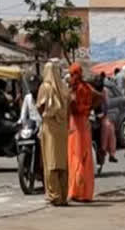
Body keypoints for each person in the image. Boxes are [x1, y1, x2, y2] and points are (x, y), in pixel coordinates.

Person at [37, 62, 70, 206]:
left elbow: (40, 106)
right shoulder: (64, 88)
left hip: (49, 127)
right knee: (62, 162)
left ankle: (54, 195)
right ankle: (63, 195)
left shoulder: (45, 88)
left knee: (50, 161)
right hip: (62, 128)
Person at [67, 63, 97, 203]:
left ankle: (76, 191)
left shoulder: (77, 89)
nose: (72, 77)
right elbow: (100, 97)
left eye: (73, 74)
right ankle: (85, 192)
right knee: (85, 157)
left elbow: (73, 107)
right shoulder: (87, 87)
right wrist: (90, 109)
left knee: (76, 157)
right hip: (84, 124)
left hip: (77, 125)